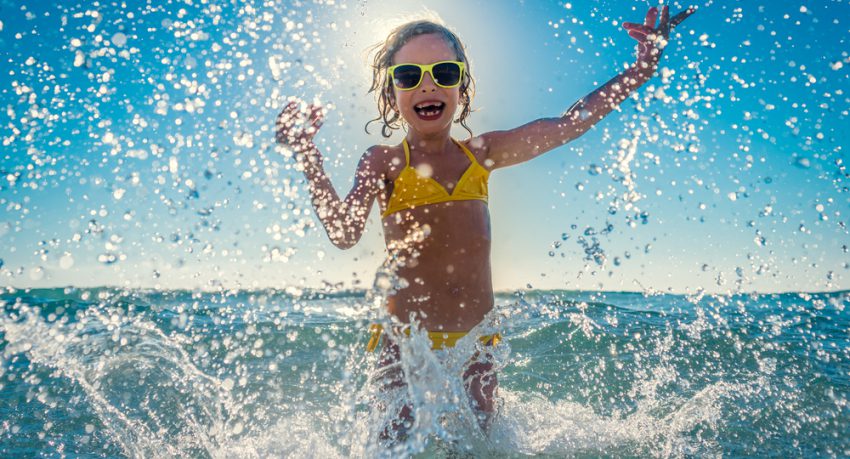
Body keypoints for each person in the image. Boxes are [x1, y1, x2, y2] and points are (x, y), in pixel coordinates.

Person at [275, 4, 695, 438]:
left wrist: (641, 71)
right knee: (392, 443)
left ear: (462, 84)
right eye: (408, 77)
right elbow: (344, 233)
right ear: (391, 93)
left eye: (444, 73)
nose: (427, 85)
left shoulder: (482, 154)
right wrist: (308, 156)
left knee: (476, 445)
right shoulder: (384, 161)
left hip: (476, 346)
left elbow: (570, 123)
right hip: (405, 348)